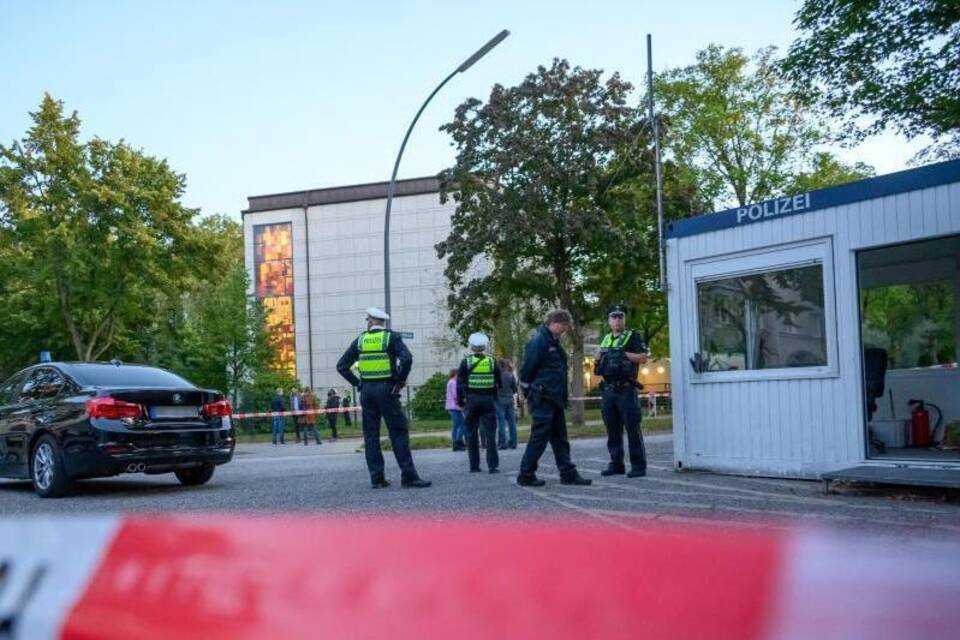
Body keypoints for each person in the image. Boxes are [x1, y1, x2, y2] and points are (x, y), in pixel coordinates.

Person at [336, 307, 431, 489]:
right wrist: (399, 380)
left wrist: (358, 384)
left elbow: (341, 366)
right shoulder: (391, 338)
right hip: (387, 390)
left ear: (371, 321)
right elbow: (407, 359)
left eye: (368, 319)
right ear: (383, 322)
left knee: (371, 436)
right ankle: (408, 476)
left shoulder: (360, 340)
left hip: (367, 392)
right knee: (398, 432)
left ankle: (377, 478)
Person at [517, 309, 591, 487]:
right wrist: (529, 392)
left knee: (560, 439)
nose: (566, 329)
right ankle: (526, 474)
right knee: (539, 438)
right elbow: (527, 370)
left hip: (554, 398)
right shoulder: (540, 341)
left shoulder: (552, 341)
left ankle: (568, 473)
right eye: (564, 325)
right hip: (544, 398)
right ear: (555, 323)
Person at [594, 303, 648, 478]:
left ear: (625, 318)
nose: (617, 320)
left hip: (626, 389)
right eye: (613, 317)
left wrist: (624, 354)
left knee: (632, 428)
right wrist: (597, 358)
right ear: (609, 320)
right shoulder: (606, 338)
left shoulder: (632, 336)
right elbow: (598, 362)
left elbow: (643, 357)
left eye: (620, 316)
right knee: (612, 429)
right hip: (608, 390)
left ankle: (638, 466)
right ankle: (616, 464)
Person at [457, 333, 501, 474]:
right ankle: (492, 466)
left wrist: (460, 400)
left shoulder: (466, 362)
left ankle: (474, 466)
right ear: (484, 346)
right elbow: (499, 381)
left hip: (472, 400)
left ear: (472, 347)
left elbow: (460, 383)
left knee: (471, 433)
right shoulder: (492, 361)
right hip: (488, 400)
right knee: (490, 433)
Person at [495, 359, 519, 449]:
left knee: (501, 422)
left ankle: (502, 443)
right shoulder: (510, 375)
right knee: (512, 423)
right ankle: (513, 443)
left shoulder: (496, 376)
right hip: (510, 400)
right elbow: (515, 389)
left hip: (499, 400)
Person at [446, 369, 466, 451]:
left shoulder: (450, 382)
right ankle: (458, 441)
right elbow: (456, 394)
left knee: (456, 425)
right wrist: (462, 403)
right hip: (455, 406)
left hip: (452, 406)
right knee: (461, 424)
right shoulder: (453, 382)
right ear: (455, 374)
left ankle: (456, 442)